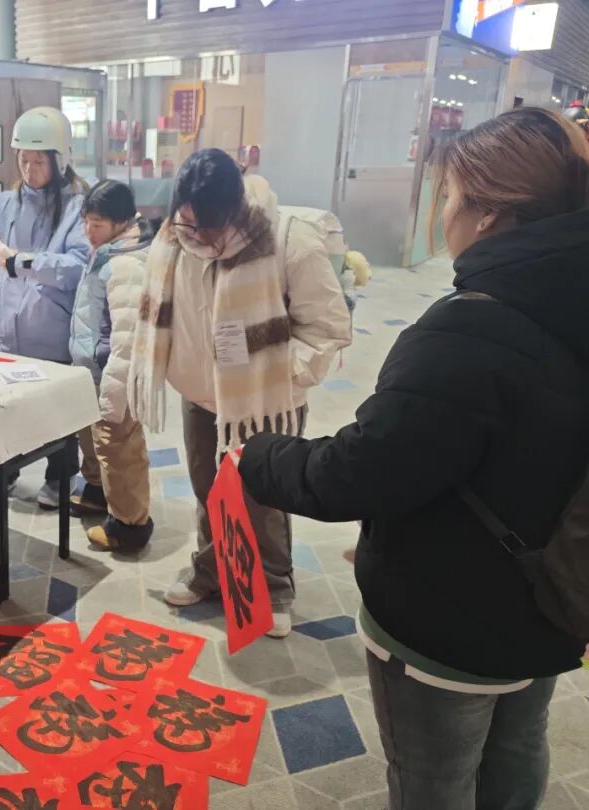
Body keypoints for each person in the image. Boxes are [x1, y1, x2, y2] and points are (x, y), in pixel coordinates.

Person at [237, 108, 589, 808]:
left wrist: (259, 456)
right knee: (518, 747)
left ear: (489, 215)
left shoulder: (472, 328)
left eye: (449, 196)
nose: (444, 212)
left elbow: (360, 472)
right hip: (558, 591)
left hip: (452, 616)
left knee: (435, 778)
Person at [128, 148, 350, 637]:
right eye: (189, 222)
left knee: (263, 497)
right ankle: (211, 571)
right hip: (201, 397)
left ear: (235, 208)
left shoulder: (287, 237)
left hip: (265, 402)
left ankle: (273, 588)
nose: (199, 237)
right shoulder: (174, 237)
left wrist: (278, 376)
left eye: (210, 226)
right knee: (209, 489)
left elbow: (327, 326)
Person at [0, 106, 91, 508]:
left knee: (54, 412)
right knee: (4, 409)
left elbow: (78, 265)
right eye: (24, 160)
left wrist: (25, 262)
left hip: (48, 331)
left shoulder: (78, 207)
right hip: (3, 331)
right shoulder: (7, 203)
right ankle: (4, 473)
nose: (30, 170)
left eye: (39, 161)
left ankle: (60, 478)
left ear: (60, 159)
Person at [69, 180, 155, 552]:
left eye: (97, 224)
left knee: (119, 446)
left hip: (112, 373)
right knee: (94, 438)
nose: (89, 231)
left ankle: (129, 525)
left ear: (121, 222)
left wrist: (115, 392)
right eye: (86, 222)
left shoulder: (126, 264)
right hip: (94, 368)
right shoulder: (108, 251)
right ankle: (97, 492)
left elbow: (127, 339)